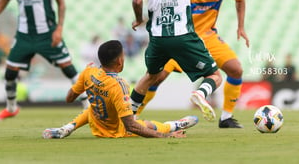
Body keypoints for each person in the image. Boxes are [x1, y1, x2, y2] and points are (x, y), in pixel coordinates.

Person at [136, 0, 249, 128]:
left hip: (209, 37)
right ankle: (134, 117)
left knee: (236, 69)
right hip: (183, 36)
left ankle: (226, 117)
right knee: (156, 77)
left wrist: (241, 26)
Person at [42, 40, 197, 139]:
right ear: (120, 61)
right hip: (116, 132)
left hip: (97, 127)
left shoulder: (88, 71)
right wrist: (166, 136)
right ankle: (176, 125)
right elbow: (131, 126)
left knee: (95, 106)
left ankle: (67, 128)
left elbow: (69, 98)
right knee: (147, 124)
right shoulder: (119, 85)